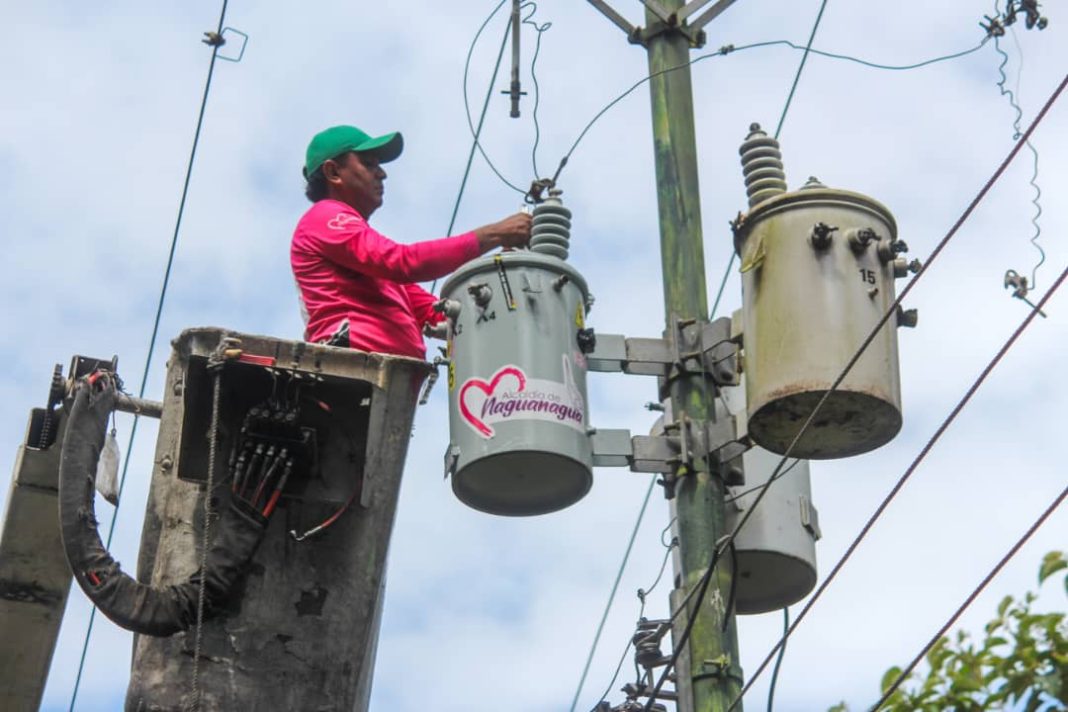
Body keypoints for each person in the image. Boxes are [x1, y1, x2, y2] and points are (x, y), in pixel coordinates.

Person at [291, 124, 531, 359]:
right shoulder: (323, 216)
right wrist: (495, 234)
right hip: (349, 371)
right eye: (369, 163)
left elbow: (436, 313)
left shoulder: (369, 264)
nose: (382, 173)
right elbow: (405, 262)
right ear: (333, 172)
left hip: (382, 377)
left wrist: (504, 268)